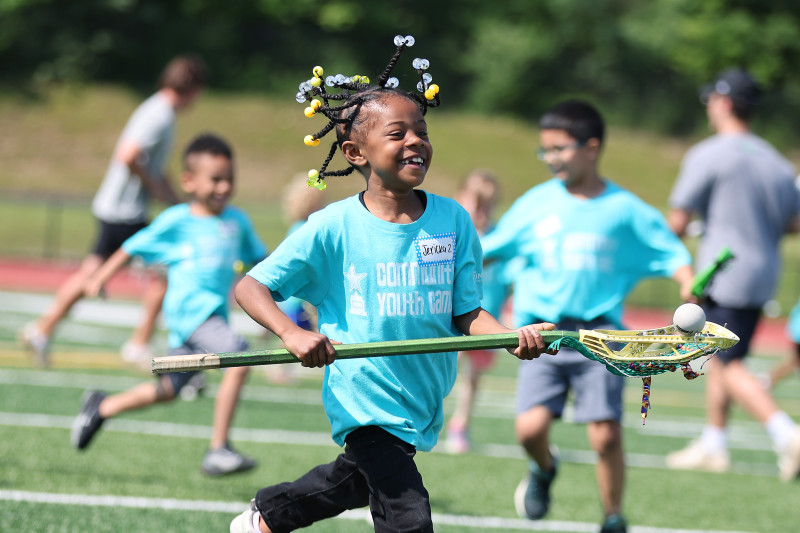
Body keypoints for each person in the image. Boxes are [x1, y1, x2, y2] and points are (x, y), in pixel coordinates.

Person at [229, 36, 555, 533]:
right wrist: (291, 333)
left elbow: (465, 312)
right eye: (398, 133)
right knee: (407, 513)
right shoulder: (331, 226)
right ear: (355, 151)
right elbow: (252, 287)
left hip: (420, 397)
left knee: (353, 483)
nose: (415, 142)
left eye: (421, 131)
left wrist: (513, 338)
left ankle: (268, 517)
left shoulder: (453, 220)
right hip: (363, 397)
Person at [481, 100, 694, 533]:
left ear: (591, 148)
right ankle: (543, 468)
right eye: (545, 150)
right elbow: (489, 249)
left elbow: (670, 251)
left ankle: (613, 516)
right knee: (529, 430)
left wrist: (688, 280)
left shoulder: (623, 208)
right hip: (542, 334)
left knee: (605, 433)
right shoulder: (536, 203)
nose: (550, 159)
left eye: (559, 149)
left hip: (602, 336)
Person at [70, 133, 267, 477]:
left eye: (229, 180)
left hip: (209, 322)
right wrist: (100, 276)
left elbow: (262, 261)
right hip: (193, 318)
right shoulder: (178, 220)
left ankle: (102, 406)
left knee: (167, 390)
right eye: (216, 180)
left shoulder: (237, 221)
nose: (223, 188)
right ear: (189, 181)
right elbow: (133, 245)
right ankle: (218, 449)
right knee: (239, 358)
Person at [19, 54, 208, 368]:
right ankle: (138, 344)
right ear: (192, 87)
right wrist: (154, 187)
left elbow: (152, 167)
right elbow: (129, 155)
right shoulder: (160, 114)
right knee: (166, 272)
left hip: (117, 208)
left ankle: (42, 329)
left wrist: (173, 199)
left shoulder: (159, 110)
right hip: (125, 212)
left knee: (91, 274)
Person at [665, 68, 800, 482]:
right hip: (764, 273)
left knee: (726, 362)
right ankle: (714, 443)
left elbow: (676, 221)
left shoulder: (709, 153)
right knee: (716, 353)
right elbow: (794, 223)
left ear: (723, 102)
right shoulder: (776, 161)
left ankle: (787, 434)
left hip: (724, 273)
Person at [444, 169, 514, 454]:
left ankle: (461, 424)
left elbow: (507, 278)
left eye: (489, 206)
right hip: (451, 319)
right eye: (477, 204)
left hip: (486, 319)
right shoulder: (453, 231)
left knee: (473, 376)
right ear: (462, 199)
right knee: (445, 367)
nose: (483, 212)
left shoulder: (498, 237)